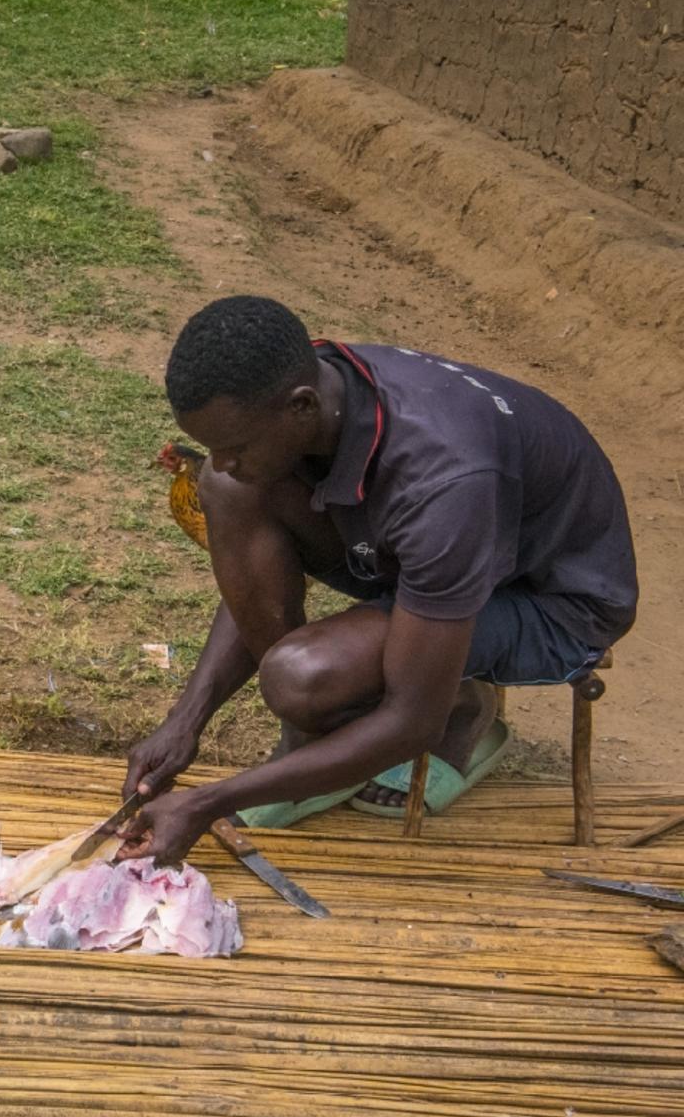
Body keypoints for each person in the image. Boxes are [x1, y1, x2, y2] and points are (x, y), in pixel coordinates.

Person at [115, 296, 637, 864]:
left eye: (235, 446)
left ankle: (462, 723)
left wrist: (208, 802)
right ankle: (322, 742)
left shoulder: (443, 480)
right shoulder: (311, 384)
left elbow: (412, 721)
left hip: (548, 601)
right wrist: (183, 724)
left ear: (301, 407)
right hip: (434, 546)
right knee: (228, 490)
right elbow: (255, 574)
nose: (221, 458)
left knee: (302, 678)